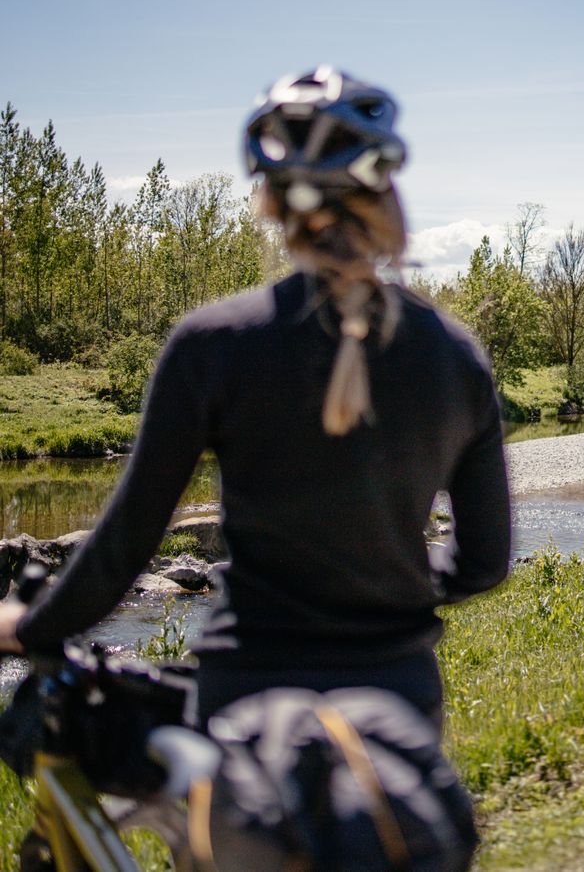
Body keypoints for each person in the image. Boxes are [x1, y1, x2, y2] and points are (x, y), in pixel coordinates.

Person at [0, 67, 512, 733]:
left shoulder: (211, 345)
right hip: (399, 699)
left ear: (270, 202)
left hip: (251, 697)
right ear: (384, 190)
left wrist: (30, 623)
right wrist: (394, 583)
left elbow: (125, 545)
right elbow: (484, 563)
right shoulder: (456, 356)